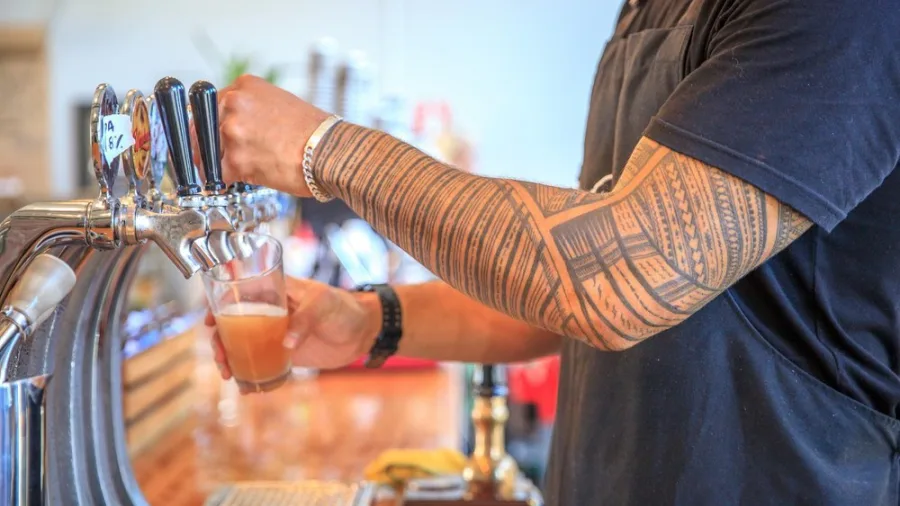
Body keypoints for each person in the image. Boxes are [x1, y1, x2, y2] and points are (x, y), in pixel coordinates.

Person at [207, 0, 900, 504]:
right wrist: (368, 320)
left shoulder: (842, 15)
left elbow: (622, 280)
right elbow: (566, 274)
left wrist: (326, 151)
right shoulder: (644, 11)